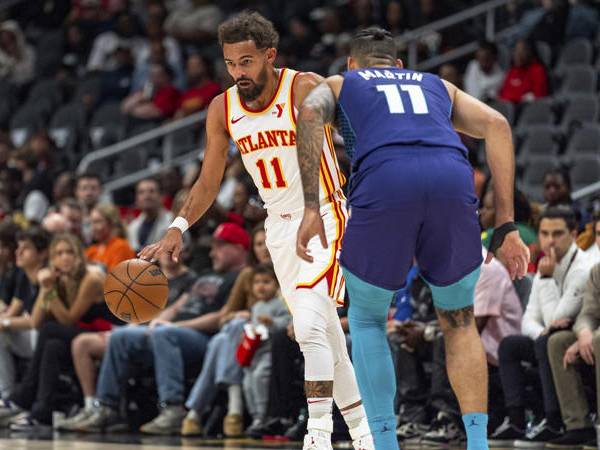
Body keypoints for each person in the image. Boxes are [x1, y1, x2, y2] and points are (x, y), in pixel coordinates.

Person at [138, 11, 373, 450]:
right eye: (230, 63)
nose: (237, 72)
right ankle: (365, 436)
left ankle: (317, 435)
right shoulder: (222, 107)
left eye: (246, 62)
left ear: (269, 55)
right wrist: (178, 226)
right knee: (327, 335)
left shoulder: (302, 86)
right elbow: (208, 179)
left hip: (324, 214)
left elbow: (356, 135)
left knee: (307, 327)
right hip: (279, 228)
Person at [295, 27, 530, 450]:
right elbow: (496, 124)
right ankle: (477, 443)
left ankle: (385, 443)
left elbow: (310, 113)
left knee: (368, 319)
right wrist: (507, 224)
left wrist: (312, 206)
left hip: (386, 180)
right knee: (458, 322)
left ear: (352, 63)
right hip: (451, 178)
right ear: (399, 65)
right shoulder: (437, 84)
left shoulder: (342, 82)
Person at [75, 222, 247, 434]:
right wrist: (157, 322)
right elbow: (178, 306)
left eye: (219, 247)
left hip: (204, 338)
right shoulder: (205, 275)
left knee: (164, 333)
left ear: (239, 248)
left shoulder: (240, 277)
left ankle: (173, 409)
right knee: (123, 336)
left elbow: (222, 316)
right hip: (172, 333)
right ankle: (107, 409)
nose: (212, 253)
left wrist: (172, 326)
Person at [489, 206, 591, 447]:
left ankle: (553, 420)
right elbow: (529, 321)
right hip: (549, 338)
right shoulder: (547, 263)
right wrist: (542, 331)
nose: (549, 240)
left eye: (557, 234)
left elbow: (558, 315)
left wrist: (545, 279)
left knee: (549, 341)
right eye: (544, 234)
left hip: (575, 340)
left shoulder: (583, 268)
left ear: (574, 233)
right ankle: (516, 420)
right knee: (511, 345)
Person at [0, 233, 114, 430]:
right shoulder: (58, 278)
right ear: (52, 258)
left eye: (70, 252)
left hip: (103, 334)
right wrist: (46, 289)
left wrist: (48, 289)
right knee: (52, 345)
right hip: (76, 337)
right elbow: (36, 321)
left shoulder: (92, 277)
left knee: (51, 329)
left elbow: (68, 319)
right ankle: (42, 412)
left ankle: (23, 395)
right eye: (59, 253)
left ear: (79, 254)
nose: (65, 257)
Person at [0, 226, 50, 402]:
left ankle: (21, 400)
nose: (18, 252)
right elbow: (12, 312)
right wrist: (3, 321)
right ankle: (6, 395)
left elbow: (36, 322)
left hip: (46, 337)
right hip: (32, 337)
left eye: (26, 248)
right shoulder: (23, 275)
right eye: (18, 247)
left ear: (43, 253)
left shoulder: (47, 277)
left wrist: (5, 323)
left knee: (39, 331)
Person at [127, 178, 173, 253]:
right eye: (141, 192)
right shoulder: (132, 227)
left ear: (161, 196)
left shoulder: (172, 221)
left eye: (151, 191)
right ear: (136, 199)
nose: (146, 196)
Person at [85, 203, 136, 272]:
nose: (93, 227)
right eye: (91, 222)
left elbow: (114, 279)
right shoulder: (92, 250)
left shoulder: (121, 247)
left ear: (111, 222)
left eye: (97, 222)